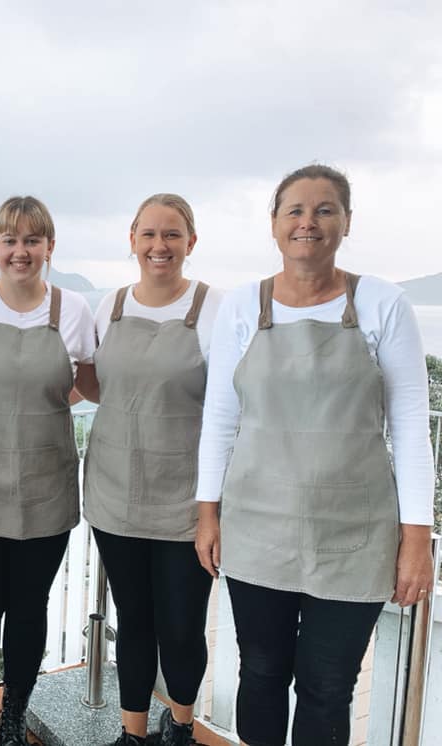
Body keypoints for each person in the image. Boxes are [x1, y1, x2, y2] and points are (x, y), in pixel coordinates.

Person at [194, 164, 435, 746]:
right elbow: (221, 417)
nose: (309, 222)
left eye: (325, 210)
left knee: (328, 685)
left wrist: (416, 539)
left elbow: (408, 427)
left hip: (353, 531)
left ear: (347, 222)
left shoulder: (382, 303)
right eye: (295, 211)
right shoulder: (242, 307)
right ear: (274, 225)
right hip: (257, 526)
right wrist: (208, 512)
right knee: (262, 674)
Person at [0, 196, 97, 746]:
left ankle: (14, 713)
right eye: (9, 240)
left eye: (32, 240)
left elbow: (87, 380)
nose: (20, 251)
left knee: (30, 609)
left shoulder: (73, 310)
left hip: (47, 487)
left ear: (49, 249)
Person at [81, 194, 220, 746]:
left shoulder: (214, 307)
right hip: (115, 490)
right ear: (132, 239)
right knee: (133, 619)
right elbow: (91, 382)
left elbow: (231, 402)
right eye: (149, 235)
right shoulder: (108, 306)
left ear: (191, 241)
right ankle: (133, 732)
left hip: (187, 497)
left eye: (172, 235)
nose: (160, 246)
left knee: (182, 625)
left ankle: (181, 726)